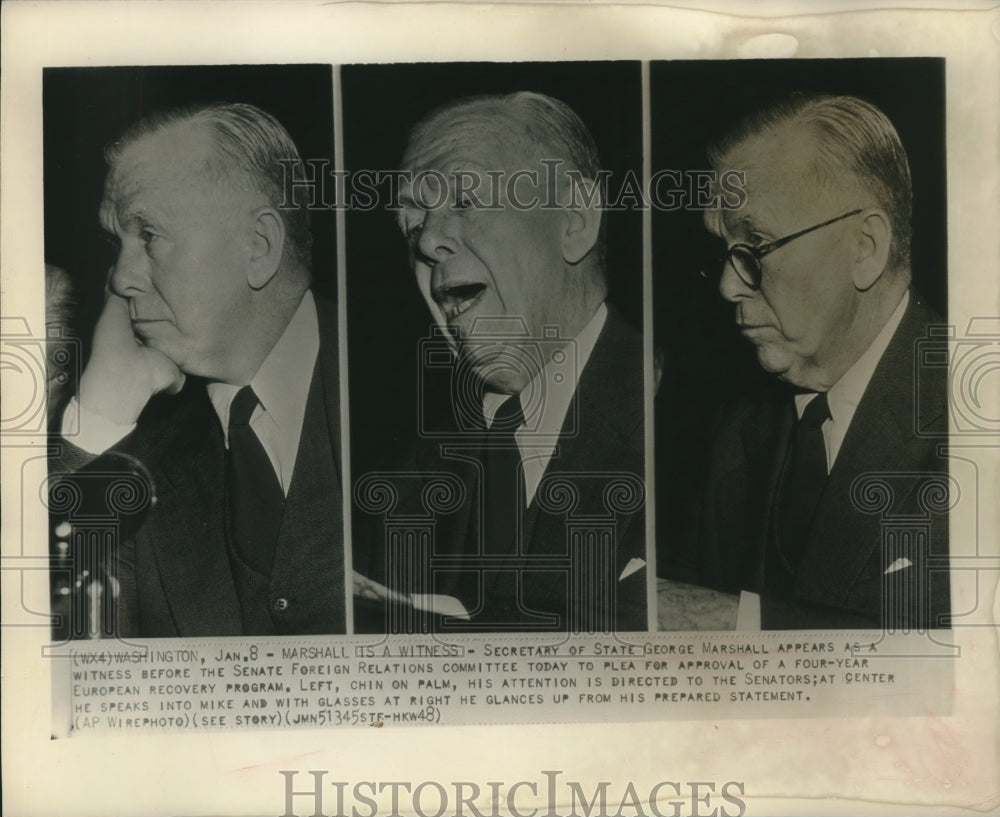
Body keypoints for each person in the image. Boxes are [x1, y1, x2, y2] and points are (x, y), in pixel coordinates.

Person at [356, 91, 647, 633]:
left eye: (465, 199)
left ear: (575, 220)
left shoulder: (703, 436)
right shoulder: (394, 489)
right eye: (412, 223)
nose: (429, 241)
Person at [51, 102, 345, 637]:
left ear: (259, 247)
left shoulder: (416, 400)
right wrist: (98, 419)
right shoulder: (137, 459)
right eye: (118, 244)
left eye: (150, 236)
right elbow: (43, 653)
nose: (119, 278)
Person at [696, 93, 950, 630]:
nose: (726, 287)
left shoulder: (974, 420)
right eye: (722, 251)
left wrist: (728, 623)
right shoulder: (738, 431)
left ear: (865, 247)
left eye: (755, 244)